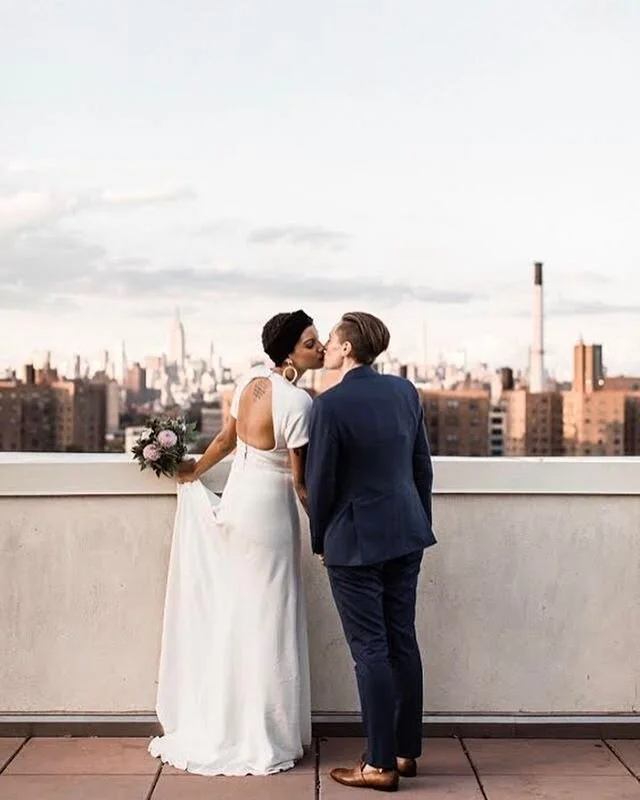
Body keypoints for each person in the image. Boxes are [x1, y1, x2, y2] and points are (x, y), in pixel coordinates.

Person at [148, 309, 325, 776]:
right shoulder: (300, 402)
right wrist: (324, 533)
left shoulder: (248, 381)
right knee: (271, 617)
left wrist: (194, 471)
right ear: (289, 353)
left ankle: (231, 722)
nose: (321, 348)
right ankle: (264, 732)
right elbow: (301, 483)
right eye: (311, 343)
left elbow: (226, 440)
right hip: (270, 514)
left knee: (241, 612)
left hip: (238, 503)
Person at [305, 311, 436, 793]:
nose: (326, 347)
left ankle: (378, 764)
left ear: (346, 348)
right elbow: (422, 467)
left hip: (355, 540)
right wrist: (419, 521)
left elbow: (321, 483)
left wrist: (320, 539)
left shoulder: (329, 405)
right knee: (402, 640)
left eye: (331, 339)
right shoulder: (405, 392)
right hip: (406, 531)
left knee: (370, 650)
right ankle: (404, 752)